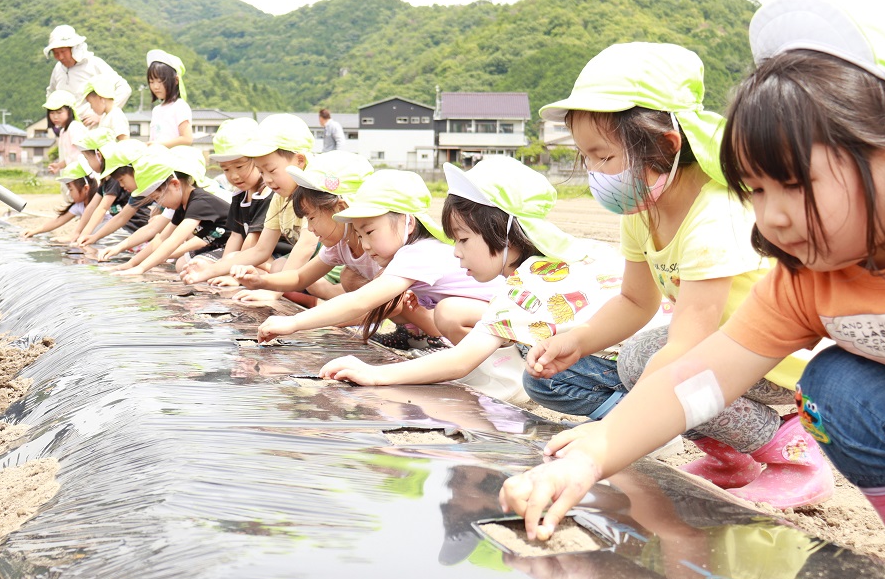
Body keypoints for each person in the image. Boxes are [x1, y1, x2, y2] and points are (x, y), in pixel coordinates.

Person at [499, 0, 885, 575]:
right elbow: (698, 378)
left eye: (794, 184)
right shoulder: (806, 279)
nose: (771, 219)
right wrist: (592, 455)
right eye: (755, 189)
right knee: (837, 390)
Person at [517, 42, 828, 510]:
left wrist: (613, 430)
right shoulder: (642, 205)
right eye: (588, 158)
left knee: (662, 370)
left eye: (605, 157)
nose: (597, 174)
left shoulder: (714, 215)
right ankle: (732, 459)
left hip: (774, 359)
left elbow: (689, 349)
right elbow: (634, 302)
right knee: (638, 358)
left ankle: (791, 452)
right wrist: (579, 340)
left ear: (665, 143)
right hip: (720, 344)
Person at [319, 156, 648, 404]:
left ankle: (625, 416)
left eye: (462, 240)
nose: (456, 253)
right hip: (650, 352)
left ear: (501, 233)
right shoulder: (554, 262)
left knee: (540, 380)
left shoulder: (525, 284)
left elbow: (460, 362)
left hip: (636, 367)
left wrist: (375, 375)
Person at [256, 169, 498, 345]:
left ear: (408, 222)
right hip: (487, 317)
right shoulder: (409, 252)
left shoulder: (419, 252)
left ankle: (489, 366)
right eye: (360, 235)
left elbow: (360, 301)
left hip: (508, 322)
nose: (366, 245)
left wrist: (294, 323)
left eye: (370, 231)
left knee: (450, 312)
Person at [180, 114, 320, 285]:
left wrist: (270, 291)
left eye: (272, 170)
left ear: (300, 160)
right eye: (261, 172)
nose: (267, 179)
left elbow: (306, 246)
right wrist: (210, 271)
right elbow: (261, 249)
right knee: (277, 267)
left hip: (334, 262)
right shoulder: (278, 197)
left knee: (288, 272)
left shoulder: (314, 192)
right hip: (305, 261)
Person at [232, 150, 380, 302]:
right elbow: (299, 277)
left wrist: (297, 321)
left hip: (389, 306)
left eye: (312, 217)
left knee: (351, 280)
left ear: (341, 208)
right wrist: (261, 282)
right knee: (348, 278)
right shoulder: (339, 247)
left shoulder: (381, 246)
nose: (309, 228)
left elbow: (378, 303)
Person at [117, 146, 229, 275]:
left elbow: (174, 240)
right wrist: (131, 264)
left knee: (192, 267)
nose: (159, 204)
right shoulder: (182, 206)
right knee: (181, 265)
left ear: (175, 184)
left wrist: (141, 268)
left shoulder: (199, 202)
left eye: (158, 198)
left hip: (233, 247)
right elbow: (161, 238)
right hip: (214, 244)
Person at [44, 24, 130, 128]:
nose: (60, 57)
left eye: (63, 51)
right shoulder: (58, 69)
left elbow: (124, 88)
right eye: (56, 53)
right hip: (69, 131)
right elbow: (52, 94)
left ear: (74, 49)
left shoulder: (93, 64)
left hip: (93, 130)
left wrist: (103, 115)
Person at [22, 161, 100, 241]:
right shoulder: (79, 206)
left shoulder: (100, 205)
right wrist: (33, 231)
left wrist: (70, 239)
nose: (69, 193)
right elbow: (57, 221)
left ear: (86, 188)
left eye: (71, 189)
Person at [147, 49, 194, 147]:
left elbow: (187, 139)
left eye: (160, 81)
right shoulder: (156, 110)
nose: (155, 86)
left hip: (174, 159)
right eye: (152, 82)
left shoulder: (179, 106)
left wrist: (160, 144)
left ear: (176, 80)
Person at [43, 90, 87, 175]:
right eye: (52, 113)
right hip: (75, 175)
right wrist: (59, 166)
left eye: (59, 112)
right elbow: (71, 158)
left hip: (84, 175)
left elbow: (85, 155)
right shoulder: (63, 131)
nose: (55, 116)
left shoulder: (75, 127)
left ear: (70, 111)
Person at [83, 73, 130, 141]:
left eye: (91, 103)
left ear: (101, 99)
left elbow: (124, 141)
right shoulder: (105, 117)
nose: (91, 108)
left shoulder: (115, 115)